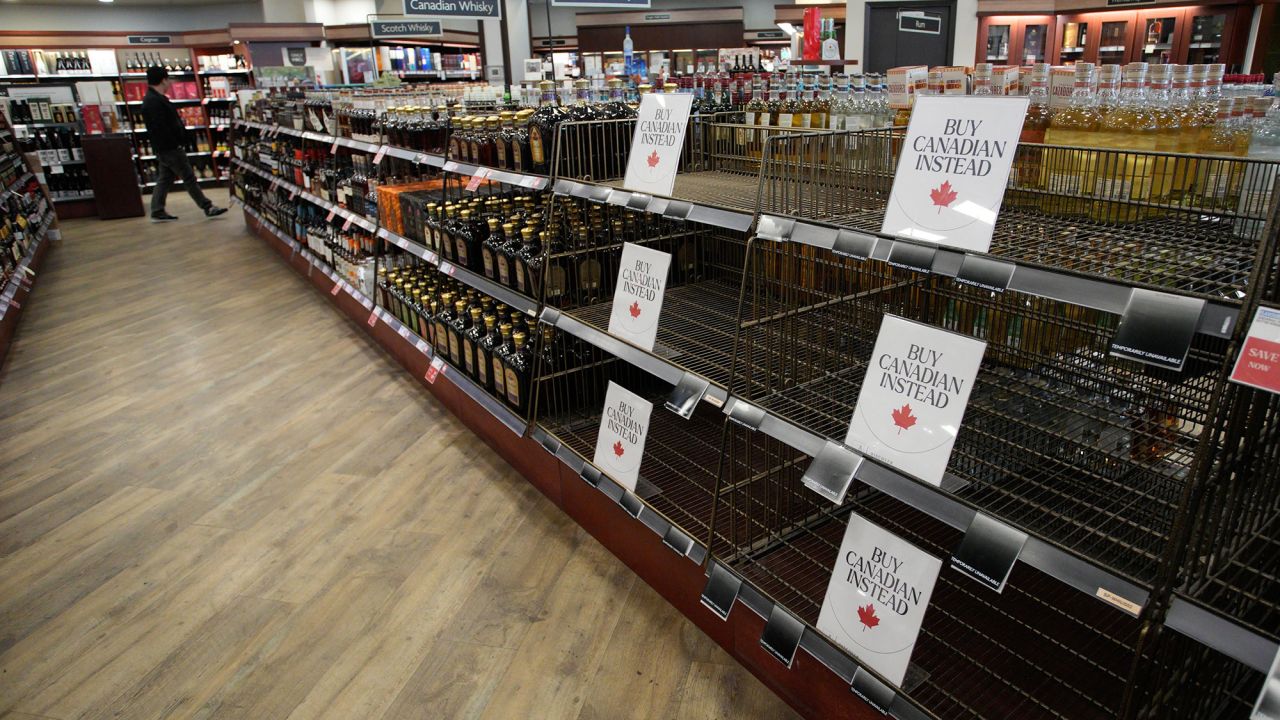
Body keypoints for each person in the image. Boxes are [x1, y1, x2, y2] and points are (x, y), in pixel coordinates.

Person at [141, 66, 226, 222]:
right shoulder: (154, 102)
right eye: (168, 80)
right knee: (189, 177)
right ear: (163, 80)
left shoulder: (153, 99)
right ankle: (207, 207)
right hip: (169, 148)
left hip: (164, 148)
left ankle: (157, 209)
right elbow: (162, 128)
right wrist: (177, 142)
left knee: (165, 178)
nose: (170, 84)